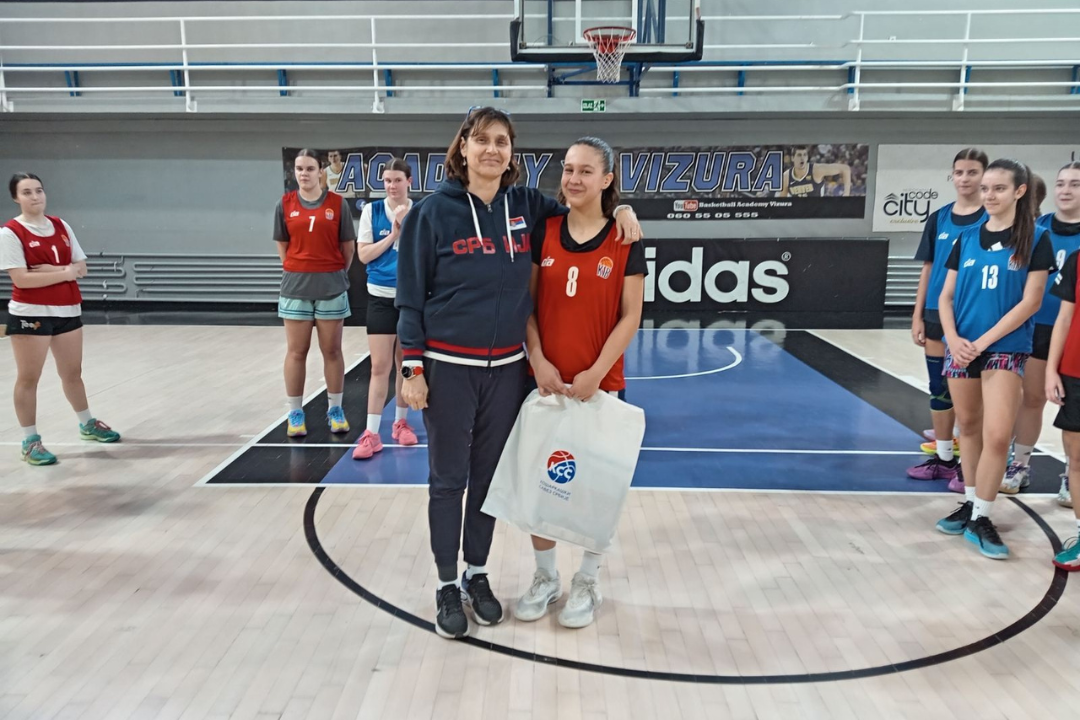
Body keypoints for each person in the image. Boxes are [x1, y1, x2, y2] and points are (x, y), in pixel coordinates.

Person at [395, 107, 642, 639]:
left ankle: (476, 573)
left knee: (488, 481)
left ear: (512, 152)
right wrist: (411, 367)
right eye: (481, 140)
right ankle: (446, 584)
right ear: (463, 147)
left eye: (502, 141)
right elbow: (409, 298)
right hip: (448, 368)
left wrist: (624, 208)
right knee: (448, 480)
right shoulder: (430, 214)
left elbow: (586, 208)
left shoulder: (527, 205)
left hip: (508, 371)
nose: (492, 150)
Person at [512, 136, 646, 629]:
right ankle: (546, 576)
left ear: (607, 179)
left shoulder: (625, 237)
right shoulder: (543, 230)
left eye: (586, 171)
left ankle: (588, 580)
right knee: (540, 486)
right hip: (544, 384)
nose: (573, 178)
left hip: (600, 385)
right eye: (568, 169)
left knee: (595, 490)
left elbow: (631, 316)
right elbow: (526, 306)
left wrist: (596, 374)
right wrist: (538, 359)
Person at [934, 159, 1054, 560]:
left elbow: (1031, 302)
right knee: (968, 427)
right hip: (962, 346)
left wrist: (982, 342)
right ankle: (971, 504)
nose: (988, 195)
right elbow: (945, 297)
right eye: (985, 188)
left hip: (1004, 347)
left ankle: (983, 516)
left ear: (1019, 191)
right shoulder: (965, 238)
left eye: (998, 188)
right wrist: (953, 339)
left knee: (998, 435)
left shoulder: (1037, 239)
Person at [1, 172, 120, 465]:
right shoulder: (10, 233)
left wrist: (55, 271)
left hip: (67, 310)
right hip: (31, 314)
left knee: (72, 373)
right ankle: (30, 441)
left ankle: (87, 424)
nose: (35, 196)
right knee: (29, 378)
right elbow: (22, 279)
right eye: (27, 192)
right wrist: (66, 272)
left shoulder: (60, 225)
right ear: (16, 197)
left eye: (39, 190)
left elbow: (82, 268)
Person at [907, 149, 988, 489]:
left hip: (973, 316)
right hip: (935, 315)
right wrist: (917, 315)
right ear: (952, 176)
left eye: (972, 172)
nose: (964, 178)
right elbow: (928, 269)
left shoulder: (992, 219)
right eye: (959, 172)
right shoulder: (939, 218)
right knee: (938, 389)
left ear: (984, 176)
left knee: (971, 396)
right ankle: (943, 459)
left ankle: (972, 464)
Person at [1001, 164, 1080, 494]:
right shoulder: (1036, 229)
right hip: (1039, 327)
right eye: (1061, 183)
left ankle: (1072, 474)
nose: (1065, 190)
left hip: (1076, 336)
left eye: (1075, 184)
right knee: (1032, 399)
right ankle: (1020, 465)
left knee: (1075, 410)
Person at [273, 149, 356, 438]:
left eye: (309, 168)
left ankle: (335, 409)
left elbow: (348, 249)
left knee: (332, 351)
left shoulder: (337, 204)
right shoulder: (285, 204)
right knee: (297, 351)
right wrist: (298, 268)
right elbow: (283, 246)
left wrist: (332, 273)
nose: (304, 174)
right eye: (299, 168)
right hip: (296, 288)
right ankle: (295, 413)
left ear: (321, 171)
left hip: (331, 287)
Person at [353, 158, 419, 459]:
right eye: (387, 181)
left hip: (410, 299)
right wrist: (394, 234)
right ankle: (371, 433)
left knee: (406, 364)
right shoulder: (372, 211)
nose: (392, 186)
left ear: (409, 181)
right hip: (380, 298)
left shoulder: (420, 211)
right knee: (379, 367)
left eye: (397, 180)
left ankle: (400, 423)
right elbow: (364, 256)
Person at [778, 146, 851, 198]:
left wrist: (846, 194)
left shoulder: (817, 170)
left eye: (805, 155)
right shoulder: (786, 177)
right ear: (792, 158)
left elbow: (845, 169)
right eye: (799, 155)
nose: (802, 158)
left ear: (807, 157)